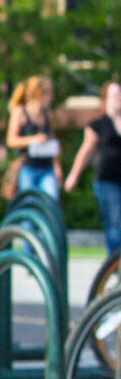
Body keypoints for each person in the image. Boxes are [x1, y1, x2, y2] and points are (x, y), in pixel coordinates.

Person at [64, 80, 121, 255]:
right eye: (115, 94)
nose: (119, 97)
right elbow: (86, 151)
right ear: (106, 99)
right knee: (115, 222)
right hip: (107, 180)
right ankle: (115, 264)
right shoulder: (98, 124)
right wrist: (73, 175)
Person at [8, 76, 62, 201]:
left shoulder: (47, 114)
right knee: (29, 203)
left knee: (51, 202)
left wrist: (57, 166)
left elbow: (52, 141)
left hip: (47, 168)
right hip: (28, 167)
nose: (51, 98)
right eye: (49, 94)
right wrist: (33, 139)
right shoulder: (20, 112)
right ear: (39, 94)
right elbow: (11, 140)